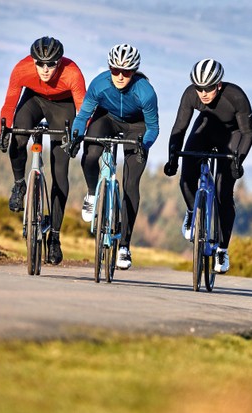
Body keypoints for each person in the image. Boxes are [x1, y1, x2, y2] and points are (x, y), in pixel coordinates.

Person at [0, 36, 86, 265]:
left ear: (60, 61)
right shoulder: (22, 69)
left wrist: (75, 137)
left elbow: (82, 110)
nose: (45, 70)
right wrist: (3, 131)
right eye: (40, 64)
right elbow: (9, 104)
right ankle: (19, 184)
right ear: (33, 61)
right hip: (34, 100)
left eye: (51, 64)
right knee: (17, 136)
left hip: (63, 106)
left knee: (60, 169)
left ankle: (54, 237)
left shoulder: (72, 73)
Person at [68, 44, 159, 270]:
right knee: (90, 155)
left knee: (131, 184)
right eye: (115, 70)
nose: (119, 75)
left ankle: (125, 247)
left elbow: (153, 128)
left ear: (134, 71)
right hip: (106, 118)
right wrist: (75, 138)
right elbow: (83, 117)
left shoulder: (145, 91)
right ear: (109, 68)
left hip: (136, 126)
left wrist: (143, 145)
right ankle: (91, 194)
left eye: (126, 72)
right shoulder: (99, 84)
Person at [163, 58, 252, 274]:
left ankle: (222, 249)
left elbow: (248, 132)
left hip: (231, 136)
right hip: (204, 130)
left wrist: (238, 161)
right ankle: (191, 211)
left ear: (219, 85)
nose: (203, 93)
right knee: (186, 177)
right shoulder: (190, 94)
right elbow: (179, 127)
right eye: (199, 88)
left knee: (224, 193)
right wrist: (173, 157)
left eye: (209, 88)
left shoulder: (236, 96)